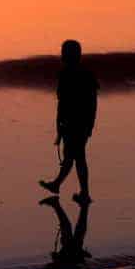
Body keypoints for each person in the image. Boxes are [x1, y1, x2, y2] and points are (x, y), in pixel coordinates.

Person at [40, 40, 99, 203]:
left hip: (76, 123)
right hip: (78, 123)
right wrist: (90, 124)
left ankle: (83, 193)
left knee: (76, 156)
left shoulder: (68, 74)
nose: (61, 54)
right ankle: (59, 185)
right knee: (72, 156)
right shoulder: (83, 73)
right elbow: (91, 102)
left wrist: (60, 124)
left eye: (63, 52)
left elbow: (64, 102)